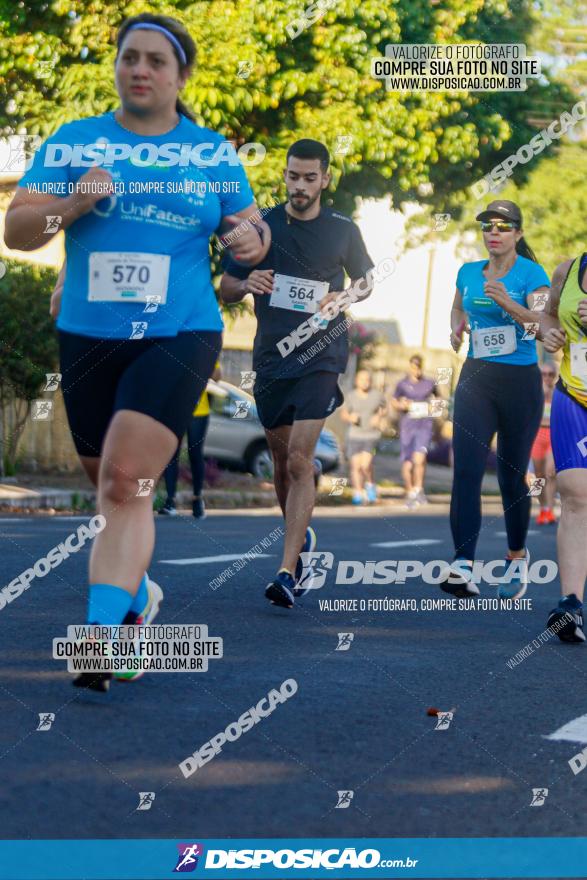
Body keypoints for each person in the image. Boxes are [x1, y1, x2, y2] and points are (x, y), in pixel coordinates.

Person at [5, 12, 269, 690]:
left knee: (127, 480)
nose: (141, 69)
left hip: (180, 331)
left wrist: (249, 243)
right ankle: (137, 599)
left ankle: (97, 644)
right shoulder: (73, 143)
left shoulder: (210, 152)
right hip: (89, 335)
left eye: (156, 60)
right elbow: (19, 231)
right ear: (117, 67)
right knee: (110, 488)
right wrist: (74, 203)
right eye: (130, 58)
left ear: (180, 76)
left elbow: (251, 230)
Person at [220, 138, 375, 609]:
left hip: (322, 356)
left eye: (310, 177)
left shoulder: (343, 229)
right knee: (282, 463)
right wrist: (248, 282)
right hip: (271, 359)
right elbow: (224, 284)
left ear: (326, 179)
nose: (300, 186)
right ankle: (299, 534)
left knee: (300, 460)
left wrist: (341, 298)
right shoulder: (260, 225)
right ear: (284, 175)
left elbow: (366, 281)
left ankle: (286, 571)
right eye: (293, 176)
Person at [441, 200, 550, 601]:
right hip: (476, 378)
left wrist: (507, 303)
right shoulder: (468, 273)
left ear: (518, 234)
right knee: (466, 470)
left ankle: (517, 556)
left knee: (509, 477)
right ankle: (462, 565)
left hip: (520, 382)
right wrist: (456, 328)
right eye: (488, 226)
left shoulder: (533, 274)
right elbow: (457, 307)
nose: (494, 232)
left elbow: (542, 325)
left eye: (503, 227)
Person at [540, 253, 587, 642]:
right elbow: (549, 316)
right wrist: (551, 334)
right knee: (574, 493)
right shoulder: (568, 270)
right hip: (574, 395)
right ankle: (570, 604)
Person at [159, 361, 221, 518]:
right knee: (171, 453)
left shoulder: (204, 344)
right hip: (175, 408)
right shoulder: (173, 341)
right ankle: (170, 501)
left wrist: (208, 361)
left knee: (195, 453)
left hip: (199, 411)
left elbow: (217, 377)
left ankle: (197, 499)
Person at [391, 354, 438, 508]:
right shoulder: (402, 384)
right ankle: (410, 491)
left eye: (418, 367)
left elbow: (440, 401)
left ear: (421, 367)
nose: (416, 371)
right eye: (413, 367)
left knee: (420, 459)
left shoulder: (430, 383)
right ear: (409, 367)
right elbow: (394, 402)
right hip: (407, 427)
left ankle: (419, 490)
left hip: (424, 426)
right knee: (408, 462)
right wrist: (401, 405)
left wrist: (434, 407)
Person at [340, 369, 386, 505]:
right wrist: (350, 417)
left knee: (365, 465)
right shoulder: (351, 396)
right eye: (362, 379)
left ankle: (370, 484)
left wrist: (379, 416)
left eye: (367, 379)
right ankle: (358, 492)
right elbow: (343, 413)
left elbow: (384, 408)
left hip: (371, 435)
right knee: (355, 466)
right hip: (355, 435)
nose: (365, 382)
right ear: (356, 381)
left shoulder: (377, 395)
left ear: (371, 381)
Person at [530, 363, 557, 525]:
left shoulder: (558, 394)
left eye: (550, 374)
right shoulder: (534, 393)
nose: (547, 377)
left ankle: (551, 511)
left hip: (553, 434)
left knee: (550, 472)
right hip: (537, 435)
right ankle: (543, 508)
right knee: (539, 475)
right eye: (544, 374)